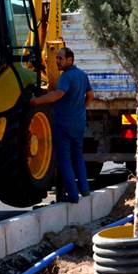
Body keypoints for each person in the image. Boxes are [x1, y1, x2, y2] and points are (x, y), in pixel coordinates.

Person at [31, 47, 94, 203]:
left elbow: (58, 94)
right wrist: (82, 108)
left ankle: (72, 195)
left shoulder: (66, 77)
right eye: (57, 58)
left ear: (70, 60)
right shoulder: (82, 75)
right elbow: (90, 95)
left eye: (60, 58)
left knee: (64, 160)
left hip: (64, 124)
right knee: (78, 156)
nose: (57, 61)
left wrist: (36, 101)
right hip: (79, 123)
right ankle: (85, 189)